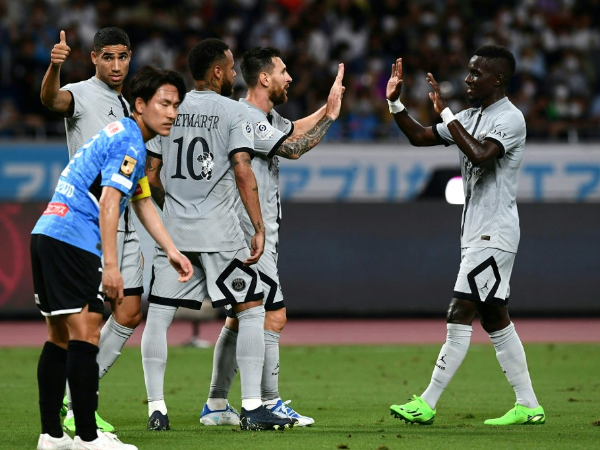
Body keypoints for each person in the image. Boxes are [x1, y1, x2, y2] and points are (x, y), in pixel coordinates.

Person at [33, 65, 192, 450]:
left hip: (48, 233)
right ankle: (88, 437)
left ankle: (51, 435)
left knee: (59, 337)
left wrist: (171, 250)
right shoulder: (130, 142)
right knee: (87, 333)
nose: (171, 113)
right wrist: (112, 266)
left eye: (175, 105)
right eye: (163, 103)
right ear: (140, 104)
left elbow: (141, 200)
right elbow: (109, 202)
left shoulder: (122, 134)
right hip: (73, 240)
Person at [141, 38, 297, 432]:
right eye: (229, 68)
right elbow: (243, 169)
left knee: (158, 316)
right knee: (252, 308)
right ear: (216, 72)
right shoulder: (234, 111)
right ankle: (252, 406)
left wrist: (173, 206)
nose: (232, 75)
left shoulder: (169, 109)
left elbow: (151, 175)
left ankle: (157, 409)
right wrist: (258, 227)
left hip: (174, 234)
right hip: (220, 235)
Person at [385, 45, 545, 426]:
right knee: (495, 318)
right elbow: (420, 136)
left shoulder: (511, 119)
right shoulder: (470, 117)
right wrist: (394, 103)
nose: (468, 79)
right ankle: (529, 405)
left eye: (477, 73)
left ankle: (427, 402)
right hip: (477, 233)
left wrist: (445, 112)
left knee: (459, 311)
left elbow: (480, 154)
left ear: (498, 79)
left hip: (494, 233)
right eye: (469, 72)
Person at [198, 47, 345, 428]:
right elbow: (293, 149)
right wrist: (330, 118)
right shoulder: (246, 117)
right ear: (264, 78)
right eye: (283, 71)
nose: (289, 77)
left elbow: (291, 129)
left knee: (239, 319)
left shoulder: (266, 117)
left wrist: (327, 107)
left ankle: (216, 404)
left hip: (256, 236)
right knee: (273, 316)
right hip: (250, 237)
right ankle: (269, 402)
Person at [40, 27, 143, 433]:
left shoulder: (125, 103)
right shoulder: (81, 93)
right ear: (95, 58)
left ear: (129, 57)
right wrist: (54, 67)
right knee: (86, 322)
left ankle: (77, 396)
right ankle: (78, 409)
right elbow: (52, 99)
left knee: (129, 312)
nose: (116, 65)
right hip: (89, 224)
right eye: (108, 57)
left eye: (122, 57)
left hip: (124, 220)